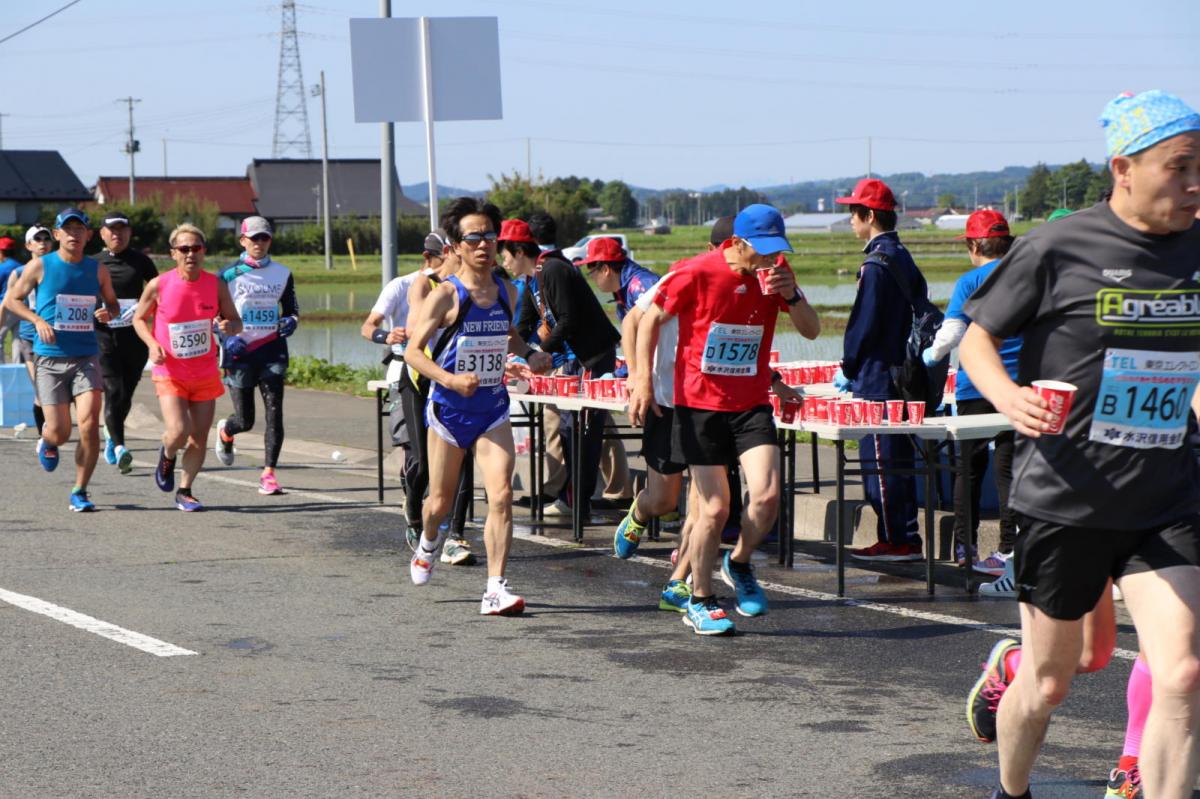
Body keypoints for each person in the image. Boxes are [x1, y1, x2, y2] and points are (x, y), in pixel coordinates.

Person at [959, 89, 1200, 799]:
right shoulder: (1059, 246)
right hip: (1065, 497)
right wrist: (1008, 396)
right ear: (1124, 167)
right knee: (1052, 678)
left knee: (1183, 672)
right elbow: (976, 339)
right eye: (1180, 168)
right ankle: (1013, 788)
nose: (1195, 186)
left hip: (1165, 497)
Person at [631, 204, 820, 635]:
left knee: (768, 496)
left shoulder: (777, 274)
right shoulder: (695, 272)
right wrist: (641, 380)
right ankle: (700, 599)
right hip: (700, 405)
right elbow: (647, 322)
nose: (772, 260)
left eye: (778, 251)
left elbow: (810, 329)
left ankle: (739, 563)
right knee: (714, 508)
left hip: (751, 403)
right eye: (764, 251)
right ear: (737, 244)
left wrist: (792, 295)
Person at [403, 197, 551, 615]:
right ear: (456, 245)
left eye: (490, 235)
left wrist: (530, 354)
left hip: (491, 407)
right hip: (449, 411)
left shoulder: (505, 288)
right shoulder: (446, 295)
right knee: (440, 503)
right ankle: (429, 542)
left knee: (501, 494)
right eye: (474, 237)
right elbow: (414, 352)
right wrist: (450, 379)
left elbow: (509, 337)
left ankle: (495, 588)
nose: (484, 244)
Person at [921, 209, 1019, 578]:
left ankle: (965, 547)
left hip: (976, 384)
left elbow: (951, 334)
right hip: (1018, 386)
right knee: (1010, 469)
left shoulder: (970, 281)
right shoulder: (1027, 275)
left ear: (974, 244)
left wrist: (930, 355)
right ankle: (1010, 550)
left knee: (970, 467)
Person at [2, 208, 120, 511]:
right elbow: (13, 300)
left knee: (90, 424)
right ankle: (49, 441)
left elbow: (113, 304)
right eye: (67, 229)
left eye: (79, 229)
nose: (73, 234)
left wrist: (108, 312)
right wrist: (36, 320)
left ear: (88, 235)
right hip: (50, 359)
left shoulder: (97, 270)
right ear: (57, 235)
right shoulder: (40, 266)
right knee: (60, 431)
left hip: (85, 357)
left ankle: (80, 490)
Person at [835, 178, 927, 562]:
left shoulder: (876, 263)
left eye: (853, 214)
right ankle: (902, 534)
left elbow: (863, 323)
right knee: (897, 460)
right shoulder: (902, 255)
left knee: (879, 463)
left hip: (876, 377)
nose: (851, 222)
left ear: (869, 215)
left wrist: (848, 365)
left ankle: (897, 539)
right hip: (904, 374)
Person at [514, 222, 621, 523]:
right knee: (566, 429)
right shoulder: (531, 277)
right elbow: (522, 325)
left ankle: (580, 503)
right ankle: (571, 498)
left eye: (506, 254)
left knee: (583, 431)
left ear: (521, 250)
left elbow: (568, 319)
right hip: (570, 359)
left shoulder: (554, 269)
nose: (502, 261)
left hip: (591, 357)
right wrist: (519, 354)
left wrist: (542, 353)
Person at [133, 223, 241, 512]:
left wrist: (229, 325)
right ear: (173, 253)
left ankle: (185, 490)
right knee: (178, 431)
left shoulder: (215, 284)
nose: (191, 253)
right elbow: (138, 319)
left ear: (203, 251)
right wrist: (152, 345)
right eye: (184, 249)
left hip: (204, 372)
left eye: (196, 248)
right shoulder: (159, 284)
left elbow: (235, 320)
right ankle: (167, 454)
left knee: (199, 437)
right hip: (170, 371)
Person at [383, 229, 474, 565]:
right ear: (447, 253)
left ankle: (456, 536)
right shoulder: (426, 285)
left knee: (462, 459)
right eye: (452, 253)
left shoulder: (475, 286)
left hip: (455, 384)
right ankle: (413, 511)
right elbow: (418, 320)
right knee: (422, 461)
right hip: (421, 380)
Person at [213, 217, 299, 496]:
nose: (259, 243)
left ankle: (269, 473)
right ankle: (227, 430)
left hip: (272, 350)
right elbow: (214, 316)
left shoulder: (282, 273)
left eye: (264, 238)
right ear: (243, 241)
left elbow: (291, 308)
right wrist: (226, 338)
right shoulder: (227, 275)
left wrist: (291, 321)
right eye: (253, 239)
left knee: (275, 414)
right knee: (245, 420)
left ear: (270, 241)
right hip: (240, 352)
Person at [94, 211, 159, 474]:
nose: (116, 234)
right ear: (102, 234)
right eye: (111, 230)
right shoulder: (94, 263)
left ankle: (112, 433)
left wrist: (149, 312)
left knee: (127, 393)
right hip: (103, 335)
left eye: (122, 230)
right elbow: (80, 297)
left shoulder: (141, 262)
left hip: (134, 337)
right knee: (113, 389)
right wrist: (94, 311)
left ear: (129, 233)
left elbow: (158, 293)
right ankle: (120, 446)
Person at [7, 225, 53, 435]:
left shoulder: (59, 268)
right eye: (37, 239)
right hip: (30, 337)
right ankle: (44, 436)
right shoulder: (18, 272)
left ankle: (51, 428)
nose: (43, 242)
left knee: (58, 390)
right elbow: (8, 303)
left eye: (46, 238)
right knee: (41, 388)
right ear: (28, 245)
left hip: (56, 335)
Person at [0, 236, 21, 362]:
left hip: (5, 307)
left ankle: (1, 371)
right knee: (17, 340)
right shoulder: (21, 266)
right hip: (21, 307)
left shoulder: (2, 268)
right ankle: (18, 369)